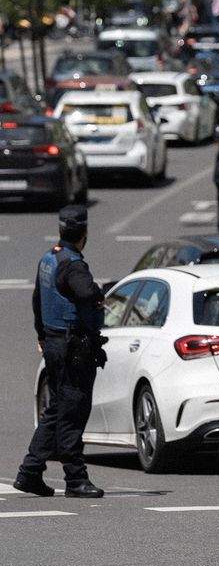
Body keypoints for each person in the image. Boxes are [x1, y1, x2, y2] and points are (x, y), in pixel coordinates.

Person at [15, 205, 106, 498]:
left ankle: (30, 472)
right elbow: (86, 293)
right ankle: (76, 479)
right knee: (73, 411)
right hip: (72, 347)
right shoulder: (73, 265)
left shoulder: (49, 258)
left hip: (55, 343)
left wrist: (42, 334)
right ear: (85, 232)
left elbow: (37, 300)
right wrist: (98, 295)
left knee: (56, 410)